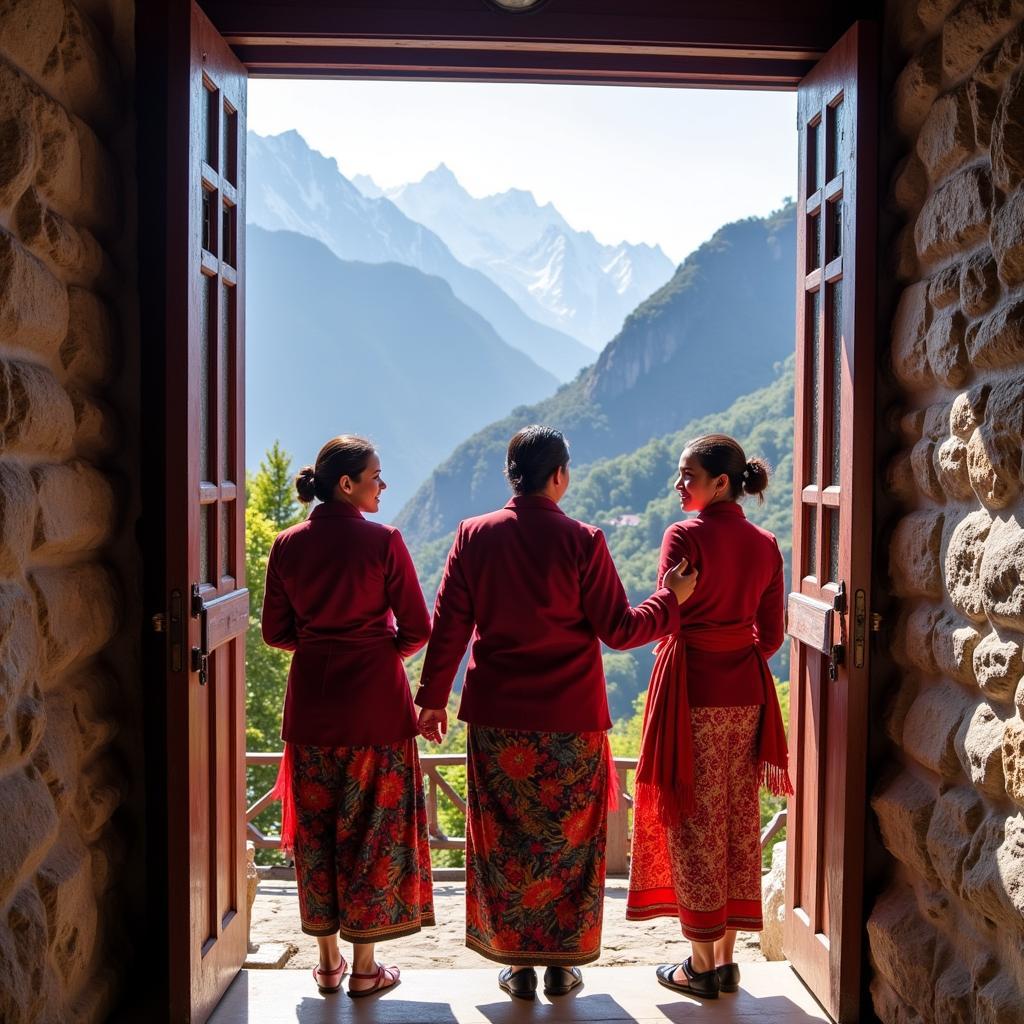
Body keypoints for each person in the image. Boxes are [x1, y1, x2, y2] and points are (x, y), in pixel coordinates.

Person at [415, 425, 697, 1000]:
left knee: (504, 842)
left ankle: (514, 964)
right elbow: (619, 630)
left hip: (497, 721)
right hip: (571, 721)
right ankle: (563, 967)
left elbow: (450, 626)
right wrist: (672, 599)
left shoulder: (475, 535)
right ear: (560, 476)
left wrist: (432, 700)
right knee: (570, 842)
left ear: (511, 475)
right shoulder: (583, 540)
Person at [261, 435, 434, 999]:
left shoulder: (287, 545)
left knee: (316, 837)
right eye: (376, 476)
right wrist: (374, 649)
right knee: (372, 836)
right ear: (347, 484)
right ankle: (366, 968)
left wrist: (323, 645)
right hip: (377, 711)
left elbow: (275, 632)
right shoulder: (383, 542)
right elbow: (417, 629)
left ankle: (328, 964)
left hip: (312, 709)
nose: (383, 485)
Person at [625, 433, 791, 1000]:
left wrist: (703, 642)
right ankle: (727, 959)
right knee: (737, 818)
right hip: (745, 693)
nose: (678, 486)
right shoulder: (767, 544)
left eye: (687, 476)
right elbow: (770, 636)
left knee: (694, 820)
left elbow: (668, 611)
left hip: (689, 692)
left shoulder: (684, 536)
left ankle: (698, 965)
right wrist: (731, 650)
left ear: (721, 483)